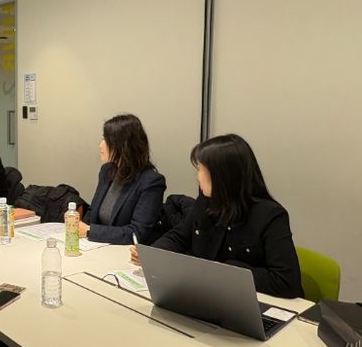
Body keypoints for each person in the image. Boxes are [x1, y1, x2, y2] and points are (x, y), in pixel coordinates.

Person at [130, 134, 303, 299]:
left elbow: (286, 282)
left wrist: (228, 271)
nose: (197, 177)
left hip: (252, 302)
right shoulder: (205, 203)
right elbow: (179, 237)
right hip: (209, 297)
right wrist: (150, 254)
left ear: (222, 176)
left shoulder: (270, 216)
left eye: (200, 170)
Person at [79, 114, 166, 245]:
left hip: (127, 253)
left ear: (122, 146)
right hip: (98, 247)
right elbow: (93, 211)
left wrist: (90, 231)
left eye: (106, 140)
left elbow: (137, 233)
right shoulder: (107, 171)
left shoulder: (151, 182)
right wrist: (78, 225)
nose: (100, 145)